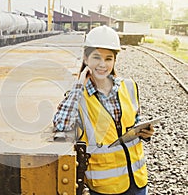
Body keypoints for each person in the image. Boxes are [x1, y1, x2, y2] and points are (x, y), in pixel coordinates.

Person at [53, 25, 154, 195]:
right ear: (85, 59)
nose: (102, 64)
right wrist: (79, 86)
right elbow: (61, 125)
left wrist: (144, 131)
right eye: (96, 57)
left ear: (114, 61)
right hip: (105, 186)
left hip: (137, 180)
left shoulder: (129, 86)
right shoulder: (78, 96)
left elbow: (134, 121)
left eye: (108, 58)